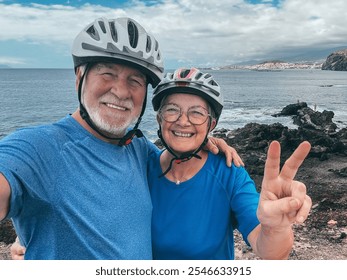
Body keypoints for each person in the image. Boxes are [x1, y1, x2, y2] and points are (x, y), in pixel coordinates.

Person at [0, 17, 239, 260]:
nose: (121, 91)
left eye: (135, 81)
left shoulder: (139, 150)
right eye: (107, 74)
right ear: (79, 77)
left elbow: (173, 164)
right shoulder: (38, 148)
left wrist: (202, 140)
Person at [147, 67, 312, 259]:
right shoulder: (140, 166)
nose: (183, 121)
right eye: (172, 110)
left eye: (197, 113)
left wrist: (275, 229)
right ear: (159, 119)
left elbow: (270, 251)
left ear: (212, 125)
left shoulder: (229, 173)